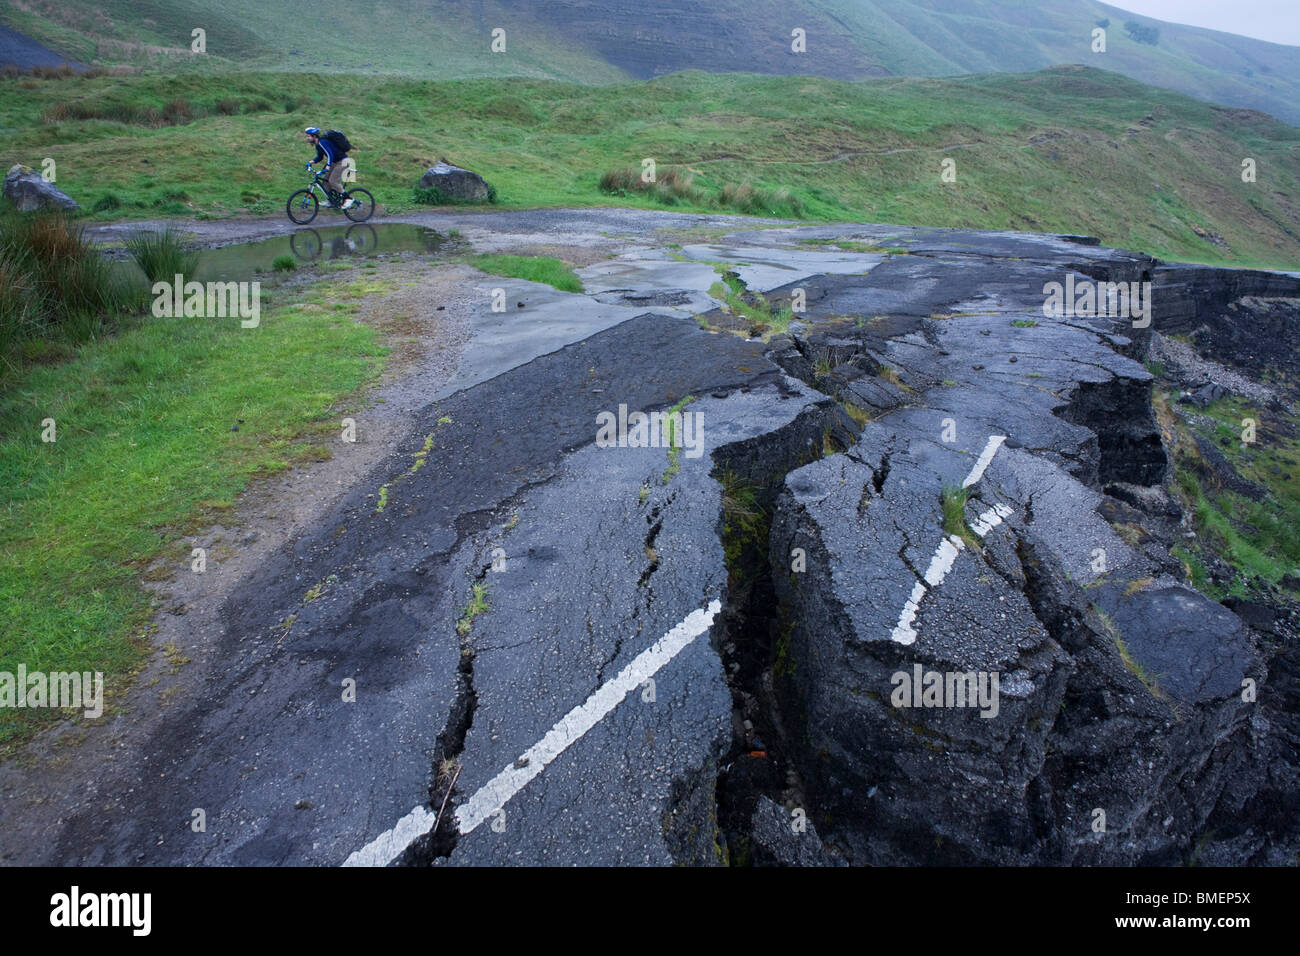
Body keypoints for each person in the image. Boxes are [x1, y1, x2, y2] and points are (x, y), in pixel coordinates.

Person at [304, 127, 354, 209]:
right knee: (325, 182)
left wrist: (328, 165)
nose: (307, 138)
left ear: (314, 136)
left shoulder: (322, 142)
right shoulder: (318, 145)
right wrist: (311, 162)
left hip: (343, 161)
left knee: (333, 181)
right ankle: (331, 201)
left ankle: (348, 198)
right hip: (335, 162)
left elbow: (330, 155)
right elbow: (320, 157)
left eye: (309, 136)